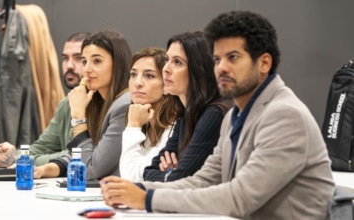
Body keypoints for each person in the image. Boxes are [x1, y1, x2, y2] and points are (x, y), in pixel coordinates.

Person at [100, 11, 335, 219]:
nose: (221, 67)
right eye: (217, 59)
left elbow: (239, 197)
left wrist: (147, 199)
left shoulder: (284, 115)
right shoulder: (235, 117)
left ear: (264, 63)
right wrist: (139, 190)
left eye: (232, 57)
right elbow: (201, 181)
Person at [34, 30, 132, 180]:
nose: (86, 69)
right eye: (85, 61)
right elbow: (83, 152)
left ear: (117, 63)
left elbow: (90, 170)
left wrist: (78, 117)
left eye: (97, 61)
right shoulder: (96, 100)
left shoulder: (124, 106)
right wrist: (46, 169)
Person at [0, 32, 91, 166]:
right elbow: (40, 148)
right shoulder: (66, 104)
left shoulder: (105, 103)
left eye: (78, 58)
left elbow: (79, 156)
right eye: (65, 58)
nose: (69, 65)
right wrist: (8, 156)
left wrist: (18, 160)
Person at [142, 31, 232, 182]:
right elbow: (148, 172)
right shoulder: (186, 115)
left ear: (198, 69)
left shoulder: (214, 114)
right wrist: (170, 175)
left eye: (177, 62)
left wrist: (170, 175)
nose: (166, 69)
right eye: (167, 60)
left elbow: (181, 179)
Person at [120, 47, 180, 182]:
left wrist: (133, 126)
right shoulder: (146, 124)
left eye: (149, 76)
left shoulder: (175, 127)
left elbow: (131, 177)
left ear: (166, 85)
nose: (137, 83)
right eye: (133, 74)